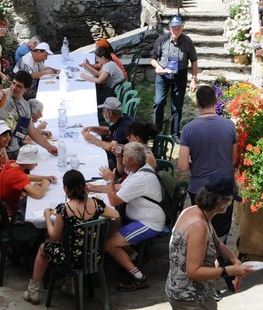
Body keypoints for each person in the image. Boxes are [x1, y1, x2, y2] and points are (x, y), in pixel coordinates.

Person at [22, 170, 120, 304]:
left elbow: (54, 236)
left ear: (66, 189)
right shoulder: (97, 203)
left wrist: (46, 218)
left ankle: (33, 291)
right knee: (67, 242)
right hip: (93, 256)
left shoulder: (64, 209)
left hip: (71, 259)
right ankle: (70, 286)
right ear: (84, 186)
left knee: (42, 248)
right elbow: (115, 214)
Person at [166, 174, 254, 309]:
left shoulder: (197, 212)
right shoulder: (198, 226)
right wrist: (229, 270)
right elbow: (193, 272)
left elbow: (218, 244)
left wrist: (235, 260)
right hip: (188, 297)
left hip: (197, 293)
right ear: (222, 202)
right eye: (230, 200)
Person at [178, 85, 238, 242]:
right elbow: (233, 160)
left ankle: (201, 261)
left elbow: (183, 166)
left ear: (197, 103)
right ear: (216, 101)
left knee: (202, 230)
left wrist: (196, 163)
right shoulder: (230, 125)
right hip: (225, 188)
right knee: (221, 232)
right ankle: (220, 261)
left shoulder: (188, 129)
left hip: (199, 188)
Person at [103, 142, 165, 292]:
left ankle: (139, 277)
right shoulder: (138, 169)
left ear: (130, 160)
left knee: (109, 244)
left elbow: (114, 200)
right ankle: (133, 255)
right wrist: (91, 188)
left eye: (123, 156)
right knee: (114, 224)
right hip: (140, 217)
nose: (121, 159)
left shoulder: (141, 178)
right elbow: (120, 188)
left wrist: (109, 180)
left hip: (149, 222)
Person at [0, 70, 58, 159]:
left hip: (12, 150)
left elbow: (32, 131)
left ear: (26, 89)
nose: (14, 87)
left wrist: (49, 147)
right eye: (13, 83)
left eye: (19, 86)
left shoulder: (25, 106)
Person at [150, 14, 198, 143]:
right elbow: (153, 59)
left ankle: (175, 133)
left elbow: (194, 60)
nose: (176, 30)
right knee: (159, 102)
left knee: (177, 106)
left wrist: (194, 79)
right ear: (169, 28)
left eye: (178, 27)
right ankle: (156, 130)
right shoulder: (162, 40)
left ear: (182, 27)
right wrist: (157, 67)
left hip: (180, 75)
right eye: (173, 28)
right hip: (163, 75)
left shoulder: (187, 41)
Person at [0, 144, 57, 221]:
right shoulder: (19, 176)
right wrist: (45, 184)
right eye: (34, 162)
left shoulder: (11, 163)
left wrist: (44, 178)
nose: (36, 164)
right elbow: (37, 194)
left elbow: (24, 177)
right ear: (27, 163)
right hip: (3, 212)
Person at [81, 97, 133, 168]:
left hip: (120, 162)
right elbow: (108, 130)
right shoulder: (121, 118)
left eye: (103, 111)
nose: (102, 113)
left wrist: (92, 139)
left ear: (110, 113)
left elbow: (111, 147)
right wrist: (92, 128)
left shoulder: (124, 127)